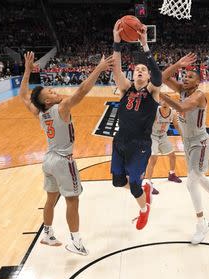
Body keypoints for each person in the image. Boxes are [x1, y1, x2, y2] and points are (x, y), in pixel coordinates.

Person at [19, 51, 113, 256]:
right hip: (63, 161)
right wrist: (98, 68)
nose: (54, 92)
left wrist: (27, 71)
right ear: (48, 102)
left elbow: (23, 96)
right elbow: (82, 90)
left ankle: (47, 233)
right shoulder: (61, 107)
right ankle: (76, 242)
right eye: (50, 94)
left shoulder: (40, 113)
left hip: (48, 160)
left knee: (50, 199)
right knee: (73, 200)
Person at [160, 53, 209, 245]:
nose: (185, 78)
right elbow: (163, 78)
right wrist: (177, 63)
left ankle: (202, 223)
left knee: (191, 181)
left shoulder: (199, 96)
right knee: (198, 176)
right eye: (184, 75)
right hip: (187, 141)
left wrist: (160, 95)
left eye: (190, 77)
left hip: (199, 142)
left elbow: (183, 109)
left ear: (198, 83)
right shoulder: (183, 90)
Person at [111, 20, 161, 230]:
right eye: (137, 69)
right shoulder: (125, 88)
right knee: (118, 182)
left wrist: (145, 46)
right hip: (120, 140)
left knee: (133, 187)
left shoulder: (152, 91)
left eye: (143, 69)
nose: (140, 71)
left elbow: (159, 78)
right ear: (132, 75)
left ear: (148, 75)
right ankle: (143, 192)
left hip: (140, 143)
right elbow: (116, 68)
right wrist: (116, 41)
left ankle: (143, 209)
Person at [145, 100, 182, 195]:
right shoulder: (155, 111)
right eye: (163, 101)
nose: (165, 103)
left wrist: (183, 136)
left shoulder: (173, 112)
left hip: (163, 136)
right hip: (153, 136)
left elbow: (177, 125)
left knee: (172, 156)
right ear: (160, 103)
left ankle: (172, 174)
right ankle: (148, 183)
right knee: (153, 159)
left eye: (167, 101)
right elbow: (147, 125)